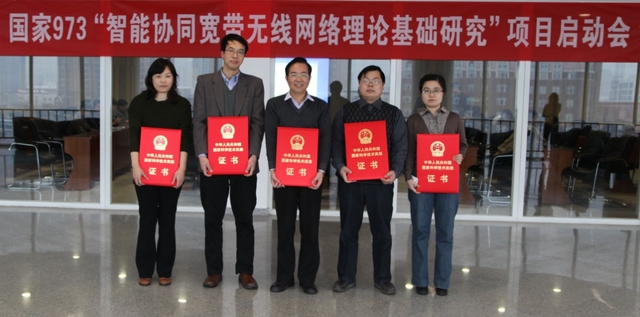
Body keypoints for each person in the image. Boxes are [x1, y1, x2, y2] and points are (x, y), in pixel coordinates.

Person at [192, 33, 265, 290]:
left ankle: (245, 270)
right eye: (231, 50)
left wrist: (253, 155)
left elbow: (257, 123)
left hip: (244, 163)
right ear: (222, 53)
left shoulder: (255, 84)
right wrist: (202, 155)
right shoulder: (204, 82)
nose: (235, 55)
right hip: (213, 163)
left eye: (240, 51)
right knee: (213, 218)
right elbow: (199, 121)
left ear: (245, 56)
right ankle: (214, 271)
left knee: (245, 217)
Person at [330, 65, 407, 295]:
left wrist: (395, 171)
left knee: (382, 232)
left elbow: (401, 146)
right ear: (359, 85)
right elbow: (336, 144)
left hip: (381, 183)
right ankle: (345, 277)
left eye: (376, 80)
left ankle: (383, 278)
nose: (371, 84)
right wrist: (340, 166)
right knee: (348, 232)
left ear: (382, 86)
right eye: (366, 80)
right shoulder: (345, 112)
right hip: (352, 182)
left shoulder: (394, 113)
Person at [265, 57, 331, 295]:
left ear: (310, 79)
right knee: (284, 228)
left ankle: (307, 279)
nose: (299, 79)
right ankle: (283, 278)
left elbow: (325, 140)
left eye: (304, 74)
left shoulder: (320, 107)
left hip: (310, 177)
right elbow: (271, 137)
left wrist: (321, 170)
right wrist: (273, 168)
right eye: (294, 74)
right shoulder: (274, 105)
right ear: (286, 78)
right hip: (284, 176)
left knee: (310, 228)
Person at [128, 58, 192, 287]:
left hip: (171, 171)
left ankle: (165, 270)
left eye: (167, 75)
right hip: (145, 170)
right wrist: (136, 166)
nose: (163, 80)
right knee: (146, 220)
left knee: (167, 220)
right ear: (150, 79)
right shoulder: (139, 102)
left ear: (173, 78)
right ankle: (144, 270)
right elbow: (134, 135)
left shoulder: (182, 105)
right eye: (158, 76)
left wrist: (181, 168)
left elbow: (185, 137)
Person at [404, 74, 467, 296]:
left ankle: (442, 282)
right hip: (422, 182)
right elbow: (409, 151)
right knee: (420, 231)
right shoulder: (413, 120)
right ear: (421, 94)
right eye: (427, 90)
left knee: (445, 233)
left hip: (448, 184)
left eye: (436, 90)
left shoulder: (455, 119)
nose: (431, 94)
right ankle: (420, 280)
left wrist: (459, 156)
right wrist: (409, 177)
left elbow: (462, 145)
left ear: (443, 93)